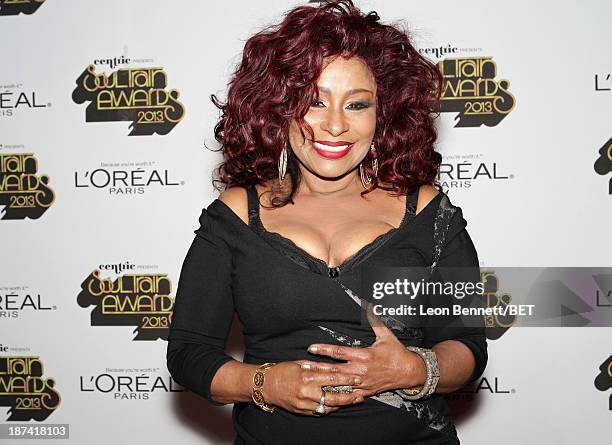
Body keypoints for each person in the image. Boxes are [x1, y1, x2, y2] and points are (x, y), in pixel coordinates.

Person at [166, 1, 487, 444]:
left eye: (357, 104)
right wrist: (265, 383)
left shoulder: (430, 214)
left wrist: (415, 368)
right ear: (279, 108)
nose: (335, 125)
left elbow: (467, 346)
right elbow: (188, 353)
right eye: (314, 101)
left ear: (383, 115)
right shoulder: (237, 215)